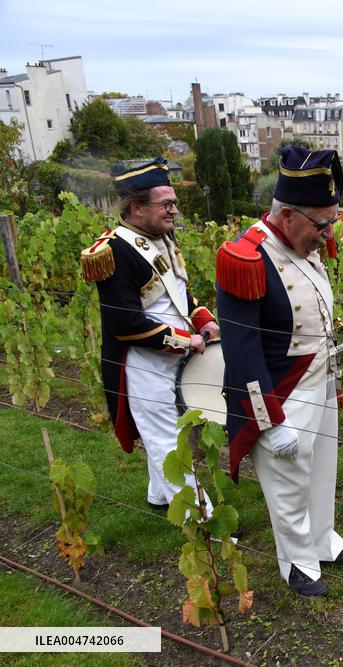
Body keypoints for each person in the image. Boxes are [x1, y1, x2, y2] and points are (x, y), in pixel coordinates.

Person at [215, 146, 343, 598]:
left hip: (319, 375)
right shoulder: (245, 258)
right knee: (288, 478)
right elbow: (242, 350)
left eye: (332, 220)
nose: (328, 233)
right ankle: (296, 561)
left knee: (322, 468)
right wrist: (268, 419)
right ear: (286, 216)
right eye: (322, 224)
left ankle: (322, 538)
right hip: (280, 386)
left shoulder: (306, 239)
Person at [81, 157, 220, 513]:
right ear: (137, 207)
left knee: (171, 434)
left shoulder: (161, 236)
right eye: (166, 203)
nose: (174, 210)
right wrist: (182, 339)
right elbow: (124, 323)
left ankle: (159, 495)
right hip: (143, 363)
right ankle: (199, 518)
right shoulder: (113, 251)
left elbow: (177, 293)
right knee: (165, 442)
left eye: (174, 202)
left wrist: (201, 317)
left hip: (174, 357)